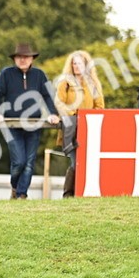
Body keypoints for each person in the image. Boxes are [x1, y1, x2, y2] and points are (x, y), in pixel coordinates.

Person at [0, 43, 60, 200]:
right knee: (19, 162)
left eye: (26, 57)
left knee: (29, 162)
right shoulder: (6, 74)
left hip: (33, 124)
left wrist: (53, 114)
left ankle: (22, 195)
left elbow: (48, 95)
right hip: (12, 125)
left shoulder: (39, 75)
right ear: (14, 58)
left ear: (32, 59)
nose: (22, 60)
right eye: (19, 57)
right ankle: (15, 187)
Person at [54, 50, 105, 198]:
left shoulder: (93, 84)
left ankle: (81, 193)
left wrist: (87, 118)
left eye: (80, 63)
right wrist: (73, 115)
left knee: (87, 161)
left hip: (88, 128)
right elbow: (59, 102)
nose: (76, 66)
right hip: (70, 127)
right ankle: (68, 194)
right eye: (74, 63)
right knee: (75, 161)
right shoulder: (65, 83)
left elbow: (99, 105)